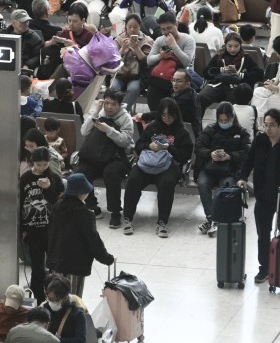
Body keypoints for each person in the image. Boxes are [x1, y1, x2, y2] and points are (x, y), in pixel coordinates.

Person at [237, 108, 280, 284]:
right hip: (264, 195)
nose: (268, 129)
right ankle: (264, 268)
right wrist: (243, 177)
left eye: (272, 125)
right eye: (265, 125)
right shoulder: (260, 140)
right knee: (263, 234)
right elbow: (249, 160)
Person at [122, 98, 194, 238]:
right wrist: (148, 146)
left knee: (167, 184)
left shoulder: (181, 131)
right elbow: (138, 145)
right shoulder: (152, 127)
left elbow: (185, 155)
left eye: (170, 115)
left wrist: (169, 148)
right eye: (163, 115)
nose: (166, 118)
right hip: (147, 163)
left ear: (176, 114)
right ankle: (127, 218)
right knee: (133, 180)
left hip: (169, 165)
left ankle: (162, 222)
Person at [76, 91, 134, 226]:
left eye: (113, 104)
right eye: (106, 103)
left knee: (111, 173)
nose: (109, 107)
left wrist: (108, 130)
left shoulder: (126, 118)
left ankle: (115, 212)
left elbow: (125, 142)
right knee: (82, 172)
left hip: (116, 157)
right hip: (96, 155)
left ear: (120, 105)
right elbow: (84, 132)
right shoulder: (100, 114)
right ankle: (92, 206)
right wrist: (95, 113)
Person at [194, 102, 252, 236]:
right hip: (210, 167)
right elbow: (199, 146)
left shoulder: (241, 132)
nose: (224, 122)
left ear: (233, 118)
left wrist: (229, 156)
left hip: (229, 169)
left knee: (225, 188)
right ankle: (212, 218)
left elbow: (247, 151)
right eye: (221, 120)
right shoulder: (210, 129)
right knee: (202, 184)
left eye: (226, 120)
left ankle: (214, 220)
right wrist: (210, 154)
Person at [19, 147, 63, 298]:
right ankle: (37, 297)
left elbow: (58, 203)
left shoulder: (55, 178)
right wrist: (22, 228)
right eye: (38, 165)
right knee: (37, 267)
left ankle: (54, 295)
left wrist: (49, 188)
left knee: (53, 266)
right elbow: (19, 204)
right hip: (32, 230)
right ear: (33, 163)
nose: (41, 168)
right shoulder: (25, 178)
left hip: (50, 229)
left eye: (44, 165)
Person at [198, 31, 263, 112]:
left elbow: (259, 74)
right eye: (230, 46)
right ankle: (198, 122)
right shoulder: (219, 56)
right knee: (201, 96)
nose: (233, 49)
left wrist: (239, 74)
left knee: (238, 100)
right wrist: (221, 70)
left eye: (236, 46)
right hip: (218, 85)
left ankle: (236, 121)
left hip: (237, 87)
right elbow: (206, 72)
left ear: (240, 45)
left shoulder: (246, 58)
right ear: (225, 45)